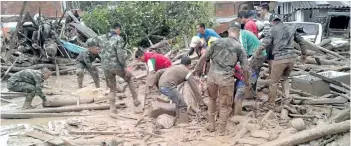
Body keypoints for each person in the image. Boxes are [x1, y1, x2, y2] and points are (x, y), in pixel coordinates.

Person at [194, 21, 250, 135]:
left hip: (212, 78)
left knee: (212, 100)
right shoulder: (239, 48)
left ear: (228, 31)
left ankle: (211, 125)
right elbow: (246, 68)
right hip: (226, 80)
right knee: (225, 106)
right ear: (238, 32)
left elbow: (203, 57)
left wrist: (197, 71)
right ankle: (221, 131)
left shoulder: (216, 42)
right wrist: (247, 82)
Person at [250, 15, 307, 109]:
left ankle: (271, 104)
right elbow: (302, 41)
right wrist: (304, 54)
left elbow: (263, 44)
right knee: (284, 78)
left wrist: (254, 56)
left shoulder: (272, 30)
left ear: (272, 22)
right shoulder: (291, 29)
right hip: (291, 59)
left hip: (280, 59)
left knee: (274, 82)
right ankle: (286, 101)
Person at [99, 22, 141, 114]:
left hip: (105, 67)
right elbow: (120, 55)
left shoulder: (102, 38)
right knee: (129, 78)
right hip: (116, 65)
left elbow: (99, 51)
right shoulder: (118, 38)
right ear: (117, 29)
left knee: (112, 89)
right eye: (120, 30)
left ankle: (113, 109)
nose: (120, 32)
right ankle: (136, 101)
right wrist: (125, 67)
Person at [228, 22, 266, 115]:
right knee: (245, 80)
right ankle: (249, 94)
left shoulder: (242, 35)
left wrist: (246, 83)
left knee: (242, 89)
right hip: (250, 61)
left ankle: (249, 97)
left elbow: (242, 50)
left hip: (257, 56)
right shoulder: (240, 34)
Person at [151, 56, 198, 124]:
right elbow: (195, 88)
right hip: (167, 87)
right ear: (189, 65)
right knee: (182, 104)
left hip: (162, 86)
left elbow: (159, 72)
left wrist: (154, 84)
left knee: (178, 101)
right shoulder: (186, 71)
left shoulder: (174, 67)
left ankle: (178, 119)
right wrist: (201, 102)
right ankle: (184, 123)